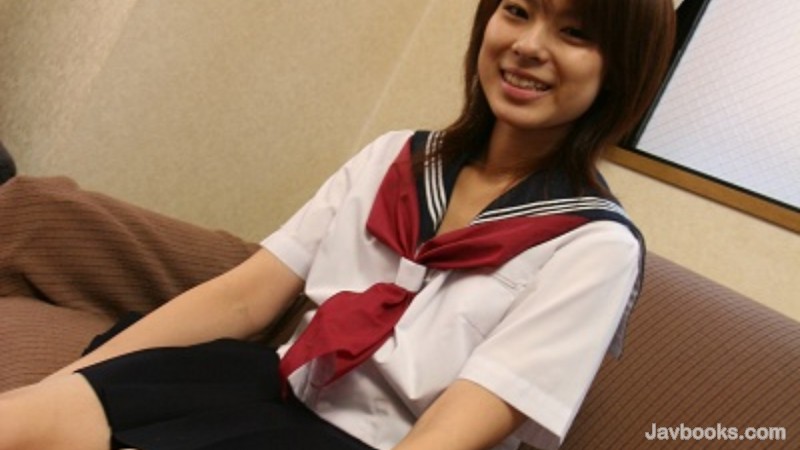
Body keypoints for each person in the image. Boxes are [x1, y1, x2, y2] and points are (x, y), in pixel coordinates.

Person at [0, 0, 675, 449]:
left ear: (620, 70)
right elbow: (244, 297)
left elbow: (461, 424)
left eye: (574, 33)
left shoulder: (594, 247)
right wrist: (68, 378)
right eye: (517, 10)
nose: (528, 45)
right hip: (263, 387)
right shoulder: (397, 157)